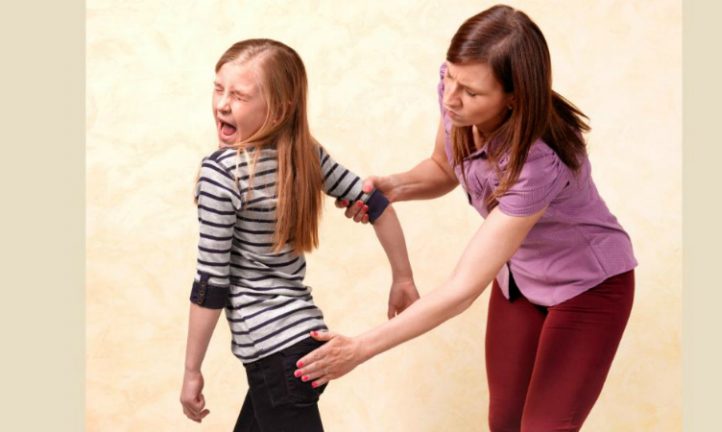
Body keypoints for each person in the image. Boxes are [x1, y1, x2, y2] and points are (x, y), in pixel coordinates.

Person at [293, 5, 638, 431]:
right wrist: (395, 186)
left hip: (587, 287)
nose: (451, 98)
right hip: (520, 279)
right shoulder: (457, 92)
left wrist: (359, 349)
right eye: (451, 78)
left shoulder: (537, 164)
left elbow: (461, 290)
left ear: (514, 98)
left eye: (471, 92)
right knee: (504, 423)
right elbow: (444, 167)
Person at [178, 38, 419, 432]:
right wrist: (403, 277)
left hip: (274, 354)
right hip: (301, 340)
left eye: (239, 95)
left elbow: (211, 283)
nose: (222, 104)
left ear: (280, 108)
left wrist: (192, 370)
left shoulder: (222, 173)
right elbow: (376, 204)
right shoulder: (305, 154)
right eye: (218, 89)